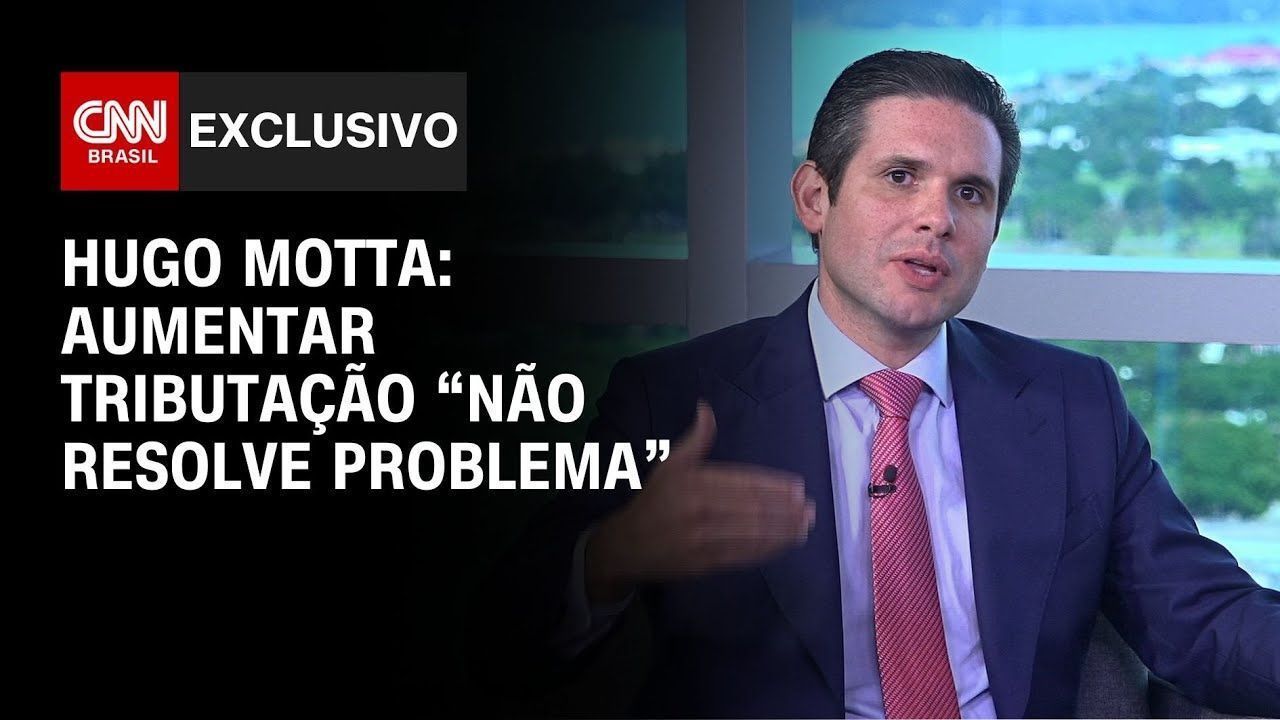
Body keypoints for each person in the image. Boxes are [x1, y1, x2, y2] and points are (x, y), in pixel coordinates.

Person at [485, 49, 1280, 718]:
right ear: (815, 198)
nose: (938, 218)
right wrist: (611, 558)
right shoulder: (674, 401)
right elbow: (500, 648)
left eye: (970, 193)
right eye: (901, 176)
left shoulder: (1074, 403)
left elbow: (1204, 620)